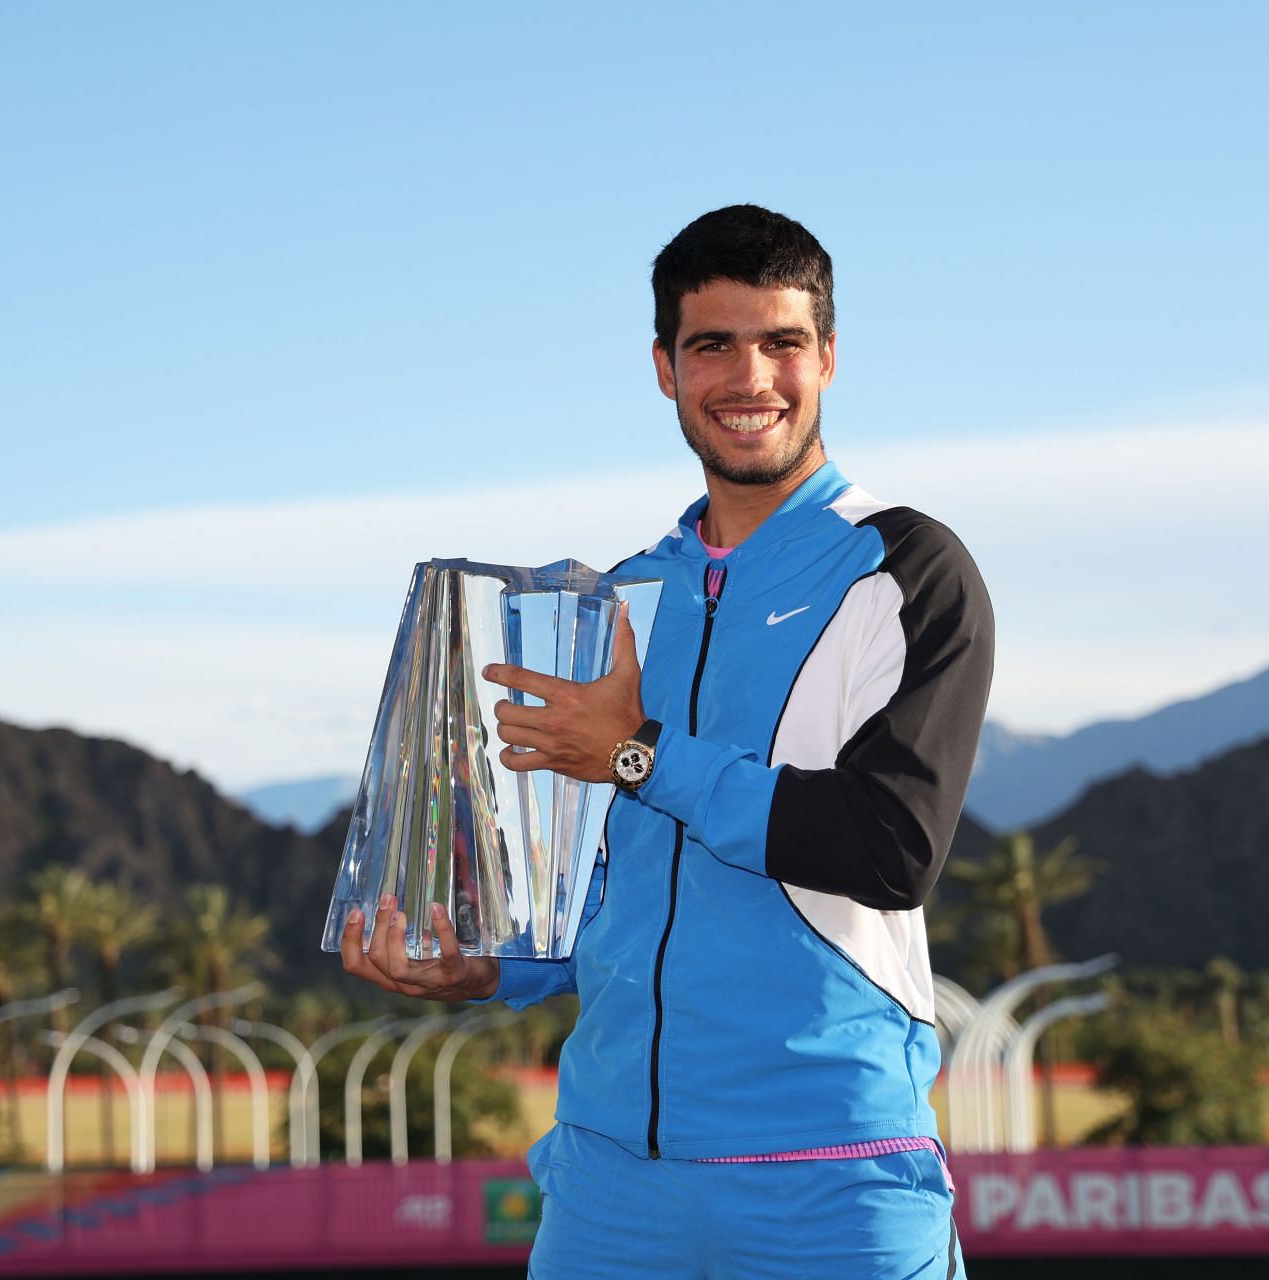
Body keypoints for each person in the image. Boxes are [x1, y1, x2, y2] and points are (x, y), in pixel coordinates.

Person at [342, 204, 993, 1278]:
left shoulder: (904, 568)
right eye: (713, 346)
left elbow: (891, 847)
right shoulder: (625, 593)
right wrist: (480, 967)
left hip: (830, 1180)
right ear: (664, 367)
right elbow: (607, 888)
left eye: (782, 342)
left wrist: (641, 753)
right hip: (609, 1191)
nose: (751, 377)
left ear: (828, 356)